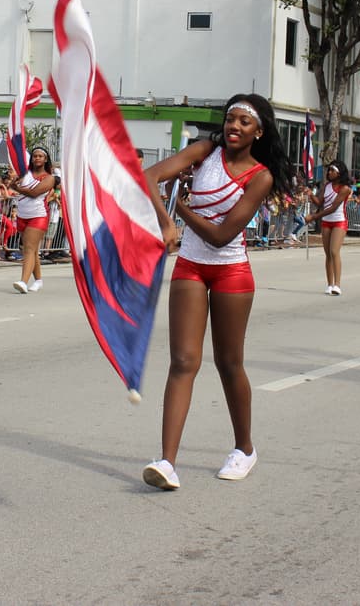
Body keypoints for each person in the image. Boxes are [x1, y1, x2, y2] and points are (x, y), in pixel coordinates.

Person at [141, 93, 293, 489]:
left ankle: (244, 448)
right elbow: (148, 177)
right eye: (230, 119)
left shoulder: (261, 176)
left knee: (229, 363)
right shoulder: (205, 151)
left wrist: (181, 212)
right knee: (183, 361)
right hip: (190, 268)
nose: (235, 126)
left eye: (244, 122)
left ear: (259, 132)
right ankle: (167, 462)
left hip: (231, 272)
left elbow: (222, 234)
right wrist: (165, 221)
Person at [9, 146, 56, 293]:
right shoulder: (25, 174)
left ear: (45, 159)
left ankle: (23, 282)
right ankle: (39, 280)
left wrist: (15, 188)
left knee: (28, 249)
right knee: (32, 250)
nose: (37, 158)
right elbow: (14, 184)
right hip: (22, 215)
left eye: (40, 156)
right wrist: (13, 183)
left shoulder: (49, 178)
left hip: (38, 215)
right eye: (35, 156)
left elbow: (35, 193)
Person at [304, 160, 353, 295]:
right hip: (326, 221)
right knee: (327, 254)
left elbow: (333, 208)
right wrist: (310, 194)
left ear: (339, 172)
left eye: (332, 170)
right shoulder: (327, 186)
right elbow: (320, 202)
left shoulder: (345, 188)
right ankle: (329, 284)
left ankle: (337, 285)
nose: (329, 172)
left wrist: (313, 217)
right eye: (329, 170)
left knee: (334, 251)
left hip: (339, 221)